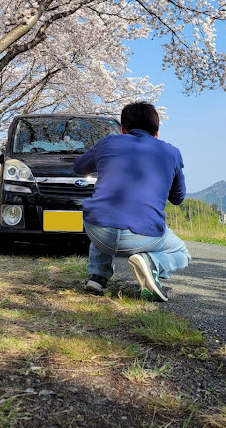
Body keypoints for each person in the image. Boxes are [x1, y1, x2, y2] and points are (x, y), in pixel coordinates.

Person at [73, 101, 190, 302]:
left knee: (103, 210)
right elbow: (178, 198)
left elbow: (79, 167)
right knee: (182, 252)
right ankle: (151, 263)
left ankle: (97, 277)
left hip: (99, 232)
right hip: (143, 236)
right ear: (157, 132)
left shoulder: (108, 142)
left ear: (123, 129)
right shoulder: (171, 153)